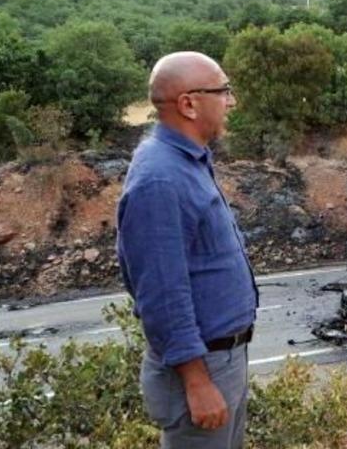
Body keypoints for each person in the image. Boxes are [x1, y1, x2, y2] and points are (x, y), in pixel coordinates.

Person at [116, 51, 259, 448]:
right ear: (189, 103)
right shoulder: (160, 179)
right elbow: (161, 294)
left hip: (222, 360)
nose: (230, 101)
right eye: (223, 91)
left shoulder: (186, 162)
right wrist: (196, 382)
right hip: (200, 370)